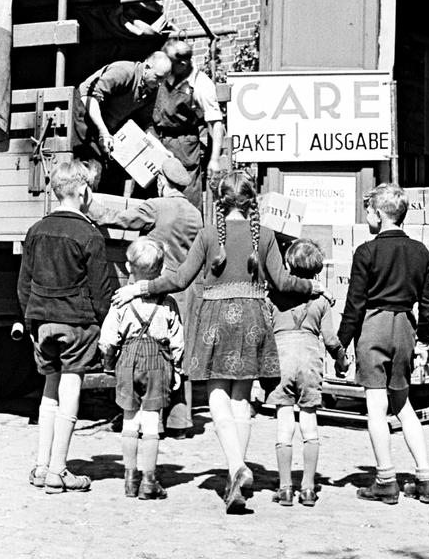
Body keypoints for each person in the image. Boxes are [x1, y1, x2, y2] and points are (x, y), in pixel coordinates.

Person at [112, 170, 324, 513]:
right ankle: (236, 470)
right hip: (254, 319)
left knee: (217, 397)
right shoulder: (265, 235)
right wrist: (312, 287)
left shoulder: (210, 233)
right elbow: (284, 283)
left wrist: (140, 287)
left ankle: (236, 467)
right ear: (251, 200)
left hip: (215, 321)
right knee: (242, 400)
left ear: (219, 201)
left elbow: (179, 279)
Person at [89, 156, 203, 437]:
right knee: (177, 353)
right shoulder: (195, 213)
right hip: (184, 291)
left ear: (162, 181)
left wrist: (88, 201)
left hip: (152, 288)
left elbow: (115, 218)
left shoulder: (156, 206)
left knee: (144, 351)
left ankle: (150, 419)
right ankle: (180, 421)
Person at [338, 183, 429, 505]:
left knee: (376, 408)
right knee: (403, 404)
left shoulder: (366, 252)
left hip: (374, 325)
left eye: (368, 210)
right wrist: (423, 338)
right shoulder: (420, 251)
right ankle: (424, 477)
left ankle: (385, 479)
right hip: (405, 327)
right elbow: (428, 302)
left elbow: (354, 303)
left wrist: (341, 345)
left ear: (379, 214)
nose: (366, 215)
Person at [18, 160, 111, 494]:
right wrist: (103, 324)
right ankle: (59, 469)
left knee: (49, 391)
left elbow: (23, 284)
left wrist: (32, 321)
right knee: (71, 388)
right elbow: (102, 291)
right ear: (84, 190)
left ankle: (42, 466)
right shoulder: (90, 234)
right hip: (77, 323)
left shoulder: (36, 231)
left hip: (42, 321)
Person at [99, 237, 184, 499]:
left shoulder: (121, 301)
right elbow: (177, 340)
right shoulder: (168, 303)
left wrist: (109, 363)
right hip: (157, 362)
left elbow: (108, 339)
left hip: (128, 360)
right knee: (151, 422)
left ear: (127, 267)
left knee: (129, 419)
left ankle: (129, 477)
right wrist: (177, 369)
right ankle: (149, 480)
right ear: (159, 272)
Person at [267, 238, 348, 507]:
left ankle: (285, 487)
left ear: (288, 265)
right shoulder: (322, 303)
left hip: (281, 361)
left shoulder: (274, 296)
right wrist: (341, 359)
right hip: (311, 362)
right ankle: (309, 487)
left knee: (283, 423)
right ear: (317, 271)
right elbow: (331, 339)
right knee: (310, 423)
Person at [76, 51, 172, 190]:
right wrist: (103, 132)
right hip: (86, 115)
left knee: (116, 176)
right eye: (158, 77)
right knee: (93, 172)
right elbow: (89, 97)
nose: (160, 84)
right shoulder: (123, 71)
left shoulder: (151, 88)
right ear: (147, 67)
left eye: (163, 80)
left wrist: (160, 149)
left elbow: (146, 123)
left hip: (110, 126)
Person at [150, 40, 224, 213]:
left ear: (182, 63)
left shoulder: (201, 84)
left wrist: (214, 160)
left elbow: (216, 122)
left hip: (183, 145)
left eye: (169, 61)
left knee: (186, 199)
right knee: (153, 199)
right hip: (156, 139)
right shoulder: (163, 73)